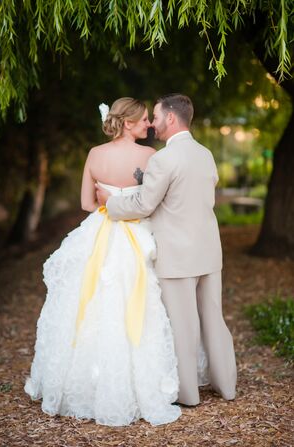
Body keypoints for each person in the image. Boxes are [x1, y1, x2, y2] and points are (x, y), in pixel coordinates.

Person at [24, 97, 182, 426]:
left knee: (91, 304)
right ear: (127, 123)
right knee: (136, 304)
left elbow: (86, 203)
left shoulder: (95, 155)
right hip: (136, 233)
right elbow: (152, 204)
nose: (148, 126)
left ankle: (84, 383)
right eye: (142, 121)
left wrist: (109, 200)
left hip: (100, 232)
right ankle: (137, 386)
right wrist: (128, 200)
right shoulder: (150, 156)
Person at [96, 93, 237, 406]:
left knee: (184, 326)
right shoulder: (205, 154)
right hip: (209, 252)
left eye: (156, 117)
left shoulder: (163, 159)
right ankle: (227, 386)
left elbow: (145, 204)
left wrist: (111, 203)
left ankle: (188, 395)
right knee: (214, 318)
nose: (153, 125)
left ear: (171, 118)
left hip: (177, 256)